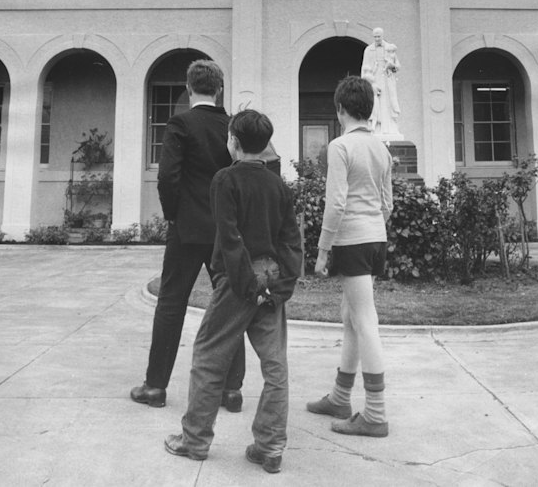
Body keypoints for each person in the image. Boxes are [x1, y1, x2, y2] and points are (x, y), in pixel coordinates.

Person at [164, 109, 302, 475]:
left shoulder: (224, 179)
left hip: (237, 284)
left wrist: (248, 287)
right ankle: (270, 447)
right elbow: (291, 240)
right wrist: (279, 287)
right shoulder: (279, 186)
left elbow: (229, 237)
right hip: (271, 280)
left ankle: (195, 440)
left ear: (234, 142)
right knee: (275, 366)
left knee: (209, 356)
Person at [130, 59, 245, 411]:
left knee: (171, 303)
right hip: (225, 230)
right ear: (219, 88)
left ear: (188, 87)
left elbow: (168, 177)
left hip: (186, 228)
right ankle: (231, 390)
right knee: (229, 305)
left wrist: (172, 216)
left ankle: (155, 386)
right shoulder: (232, 126)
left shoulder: (180, 123)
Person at [306, 75, 393, 438]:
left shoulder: (340, 146)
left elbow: (337, 203)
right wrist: (372, 227)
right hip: (374, 238)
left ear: (340, 109)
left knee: (364, 320)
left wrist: (323, 249)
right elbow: (387, 204)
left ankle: (375, 414)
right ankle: (340, 397)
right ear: (369, 109)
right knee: (351, 317)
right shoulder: (381, 148)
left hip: (353, 241)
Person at [361, 26, 402, 138]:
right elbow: (364, 69)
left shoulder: (390, 48)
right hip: (374, 80)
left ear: (382, 36)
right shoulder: (368, 50)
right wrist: (370, 84)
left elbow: (397, 66)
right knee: (376, 104)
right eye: (375, 37)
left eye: (378, 36)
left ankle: (389, 128)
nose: (377, 39)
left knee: (388, 103)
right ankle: (376, 127)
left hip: (387, 80)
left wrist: (392, 66)